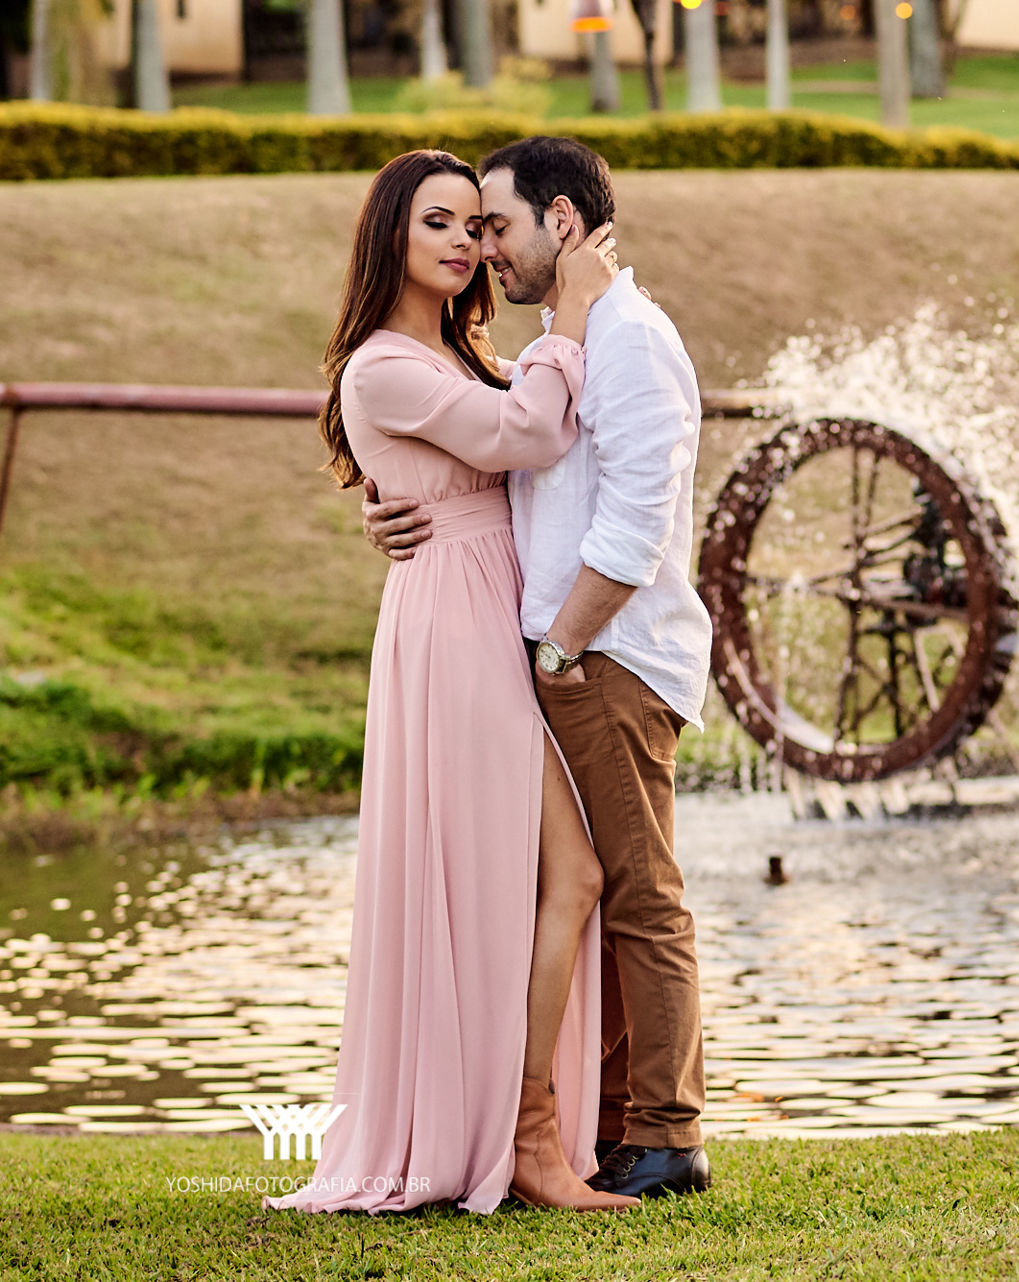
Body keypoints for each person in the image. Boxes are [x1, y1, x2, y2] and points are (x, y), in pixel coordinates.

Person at [267, 149, 635, 1215]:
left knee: (530, 881)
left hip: (492, 607)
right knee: (563, 873)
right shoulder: (382, 365)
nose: (468, 243)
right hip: (456, 629)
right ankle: (522, 1139)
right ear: (392, 234)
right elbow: (526, 435)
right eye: (441, 223)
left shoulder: (463, 350)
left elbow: (501, 452)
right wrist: (569, 315)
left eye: (477, 225)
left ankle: (529, 1130)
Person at [363, 136, 715, 1199]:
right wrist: (395, 507)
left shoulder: (628, 340)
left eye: (496, 225)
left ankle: (663, 1136)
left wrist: (563, 643)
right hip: (541, 651)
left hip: (602, 652)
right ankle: (596, 1126)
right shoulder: (560, 342)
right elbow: (500, 457)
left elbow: (636, 524)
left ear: (561, 223)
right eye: (462, 227)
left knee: (636, 894)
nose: (485, 249)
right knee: (591, 895)